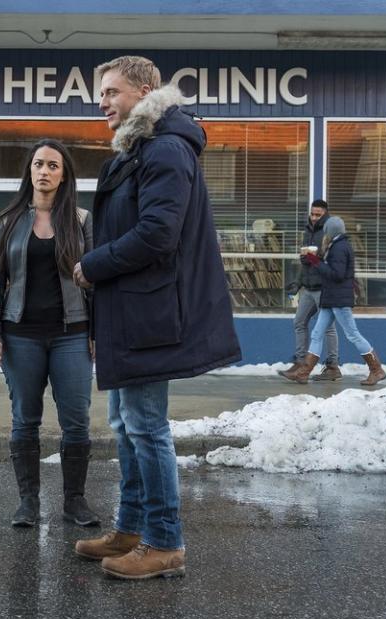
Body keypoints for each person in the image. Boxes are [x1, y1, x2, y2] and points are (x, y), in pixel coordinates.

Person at [71, 56, 241, 579]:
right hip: (131, 313)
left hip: (150, 315)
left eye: (112, 92)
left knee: (146, 427)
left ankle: (165, 541)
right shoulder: (139, 150)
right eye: (100, 94)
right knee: (126, 424)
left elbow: (156, 235)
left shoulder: (165, 148)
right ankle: (130, 528)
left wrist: (91, 266)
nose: (103, 102)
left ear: (145, 91)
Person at [0, 139, 99, 529]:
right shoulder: (8, 221)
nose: (44, 171)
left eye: (53, 165)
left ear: (64, 174)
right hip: (21, 337)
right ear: (29, 172)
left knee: (77, 423)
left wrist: (96, 331)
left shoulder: (81, 220)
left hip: (71, 334)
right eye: (38, 164)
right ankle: (28, 503)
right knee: (24, 420)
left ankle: (74, 502)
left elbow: (94, 281)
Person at [283, 216, 386, 386]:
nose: (324, 233)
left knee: (352, 334)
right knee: (317, 334)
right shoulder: (336, 245)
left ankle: (377, 370)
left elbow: (337, 274)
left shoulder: (339, 247)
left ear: (331, 231)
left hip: (338, 299)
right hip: (331, 298)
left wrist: (316, 261)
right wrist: (317, 259)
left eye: (326, 231)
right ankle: (303, 373)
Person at [278, 199, 341, 382]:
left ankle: (332, 366)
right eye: (312, 214)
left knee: (328, 328)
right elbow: (306, 263)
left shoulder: (330, 231)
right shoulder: (308, 230)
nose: (314, 218)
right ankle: (300, 362)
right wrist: (298, 283)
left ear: (325, 214)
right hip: (308, 287)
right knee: (299, 321)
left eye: (318, 215)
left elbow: (336, 259)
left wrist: (316, 258)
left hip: (324, 287)